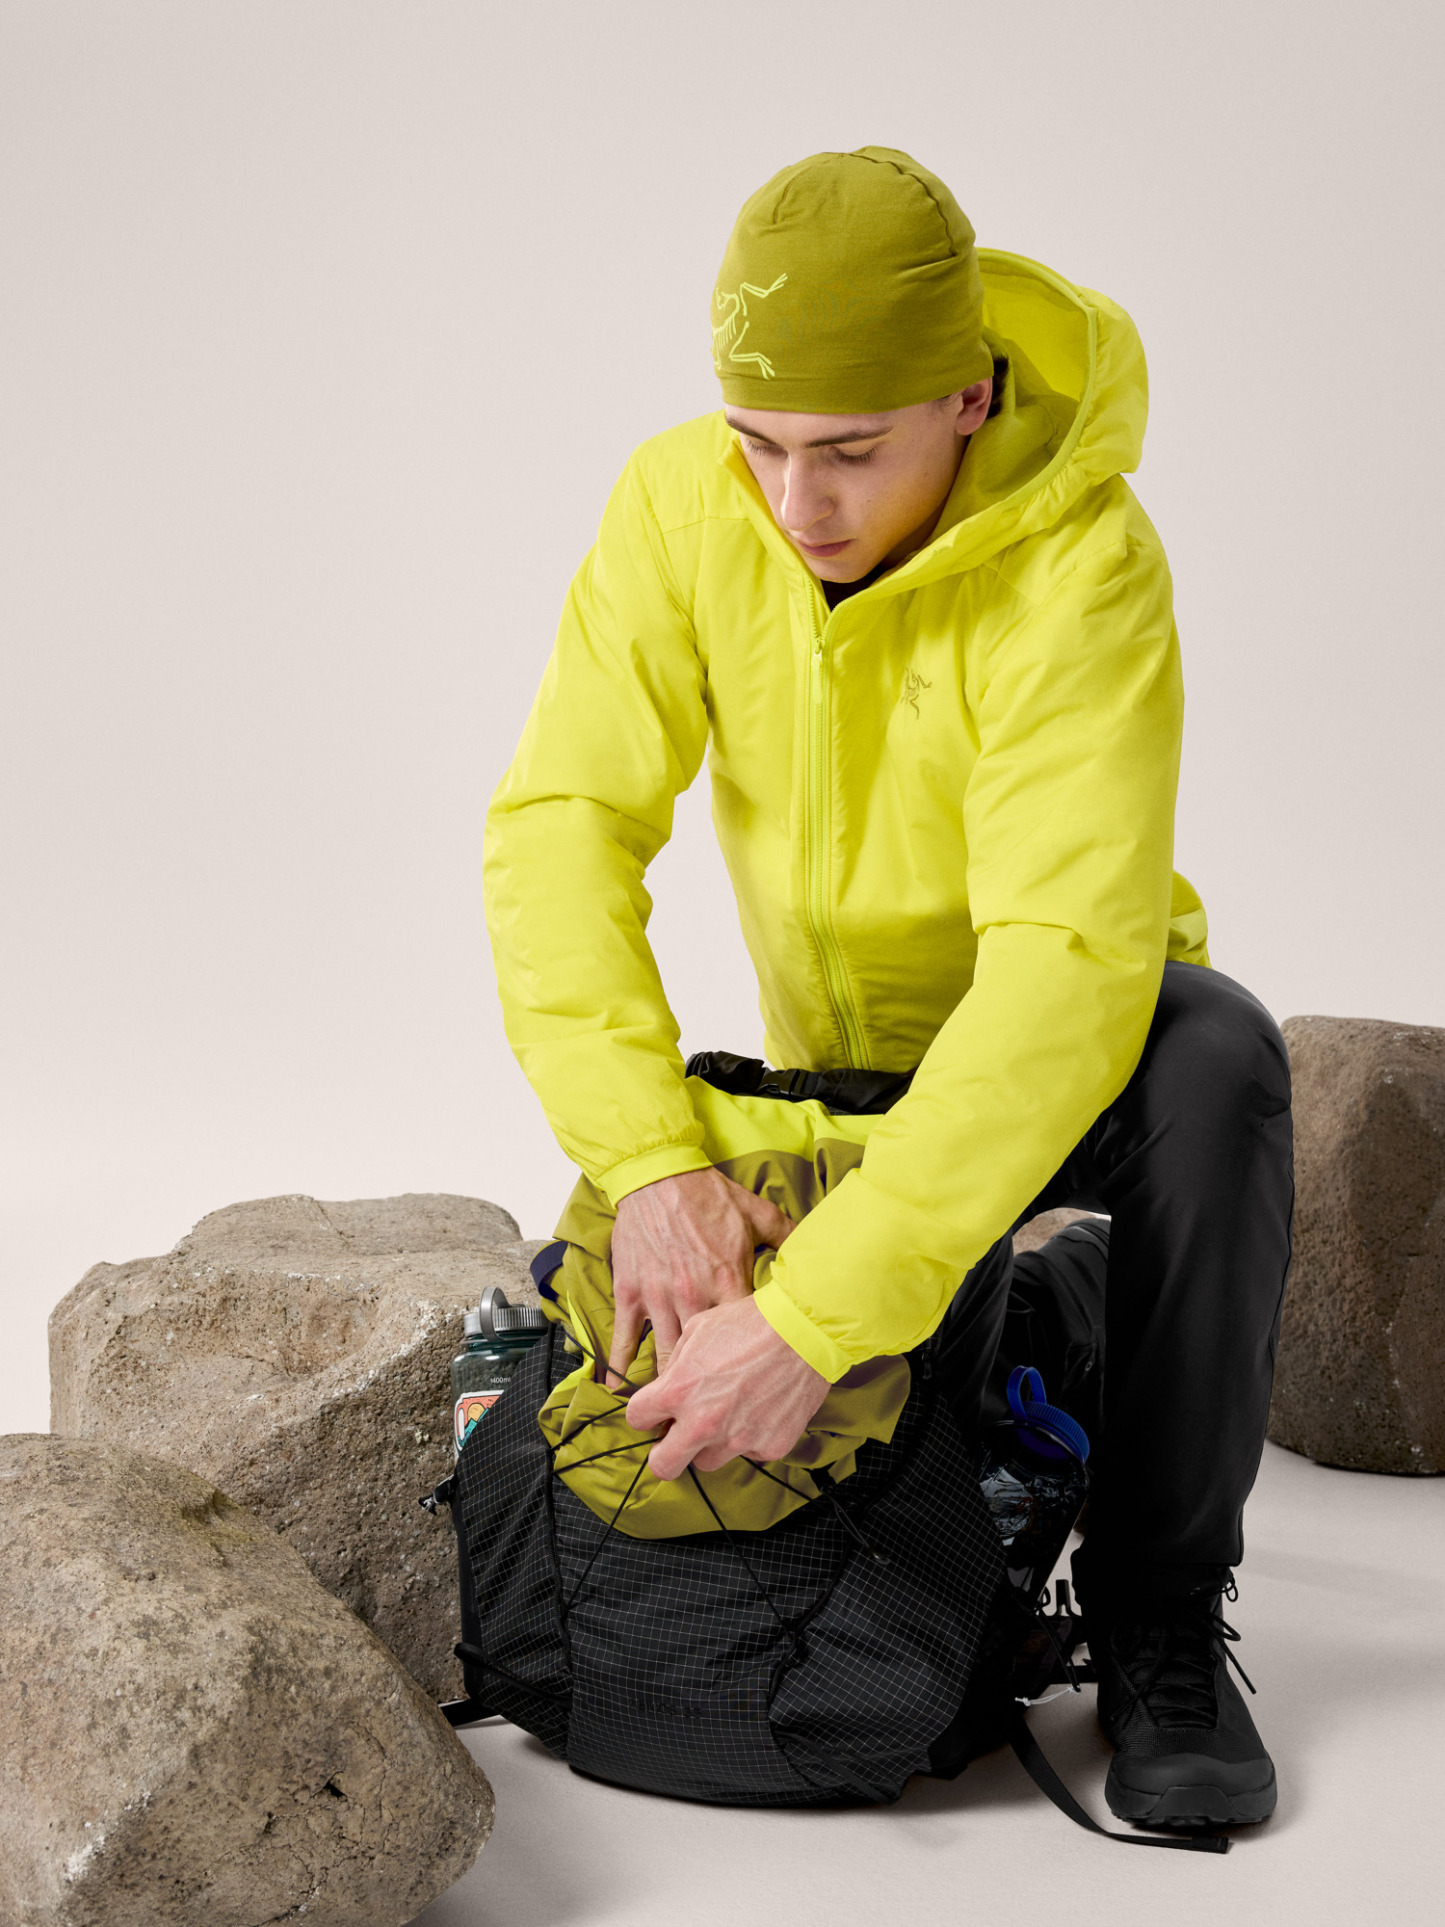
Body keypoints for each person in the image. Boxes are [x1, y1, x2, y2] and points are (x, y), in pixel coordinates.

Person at [483, 146, 1293, 1830]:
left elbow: (1062, 966)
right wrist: (652, 1166)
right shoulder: (673, 505)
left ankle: (1156, 1605)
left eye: (849, 451)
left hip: (1068, 1056)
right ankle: (1046, 1316)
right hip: (831, 1071)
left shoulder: (1085, 562)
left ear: (967, 396)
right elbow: (562, 826)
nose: (797, 502)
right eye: (759, 442)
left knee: (1218, 1059)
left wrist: (813, 1323)